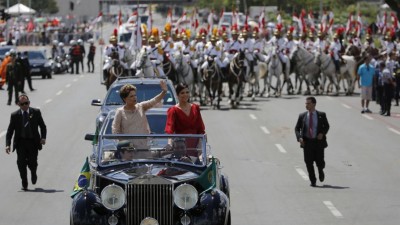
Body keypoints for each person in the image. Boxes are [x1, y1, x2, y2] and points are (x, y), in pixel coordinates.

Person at [5, 94, 47, 191]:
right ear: (18, 104)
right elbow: (10, 131)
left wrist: (43, 138)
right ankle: (24, 181)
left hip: (33, 142)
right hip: (21, 143)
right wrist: (8, 145)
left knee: (32, 162)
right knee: (21, 163)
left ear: (29, 103)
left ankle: (33, 172)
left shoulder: (35, 112)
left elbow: (43, 126)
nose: (24, 105)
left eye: (26, 103)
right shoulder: (15, 115)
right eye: (22, 104)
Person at [295, 96, 330, 187]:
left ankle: (320, 170)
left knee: (320, 161)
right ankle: (313, 180)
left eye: (308, 103)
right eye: (306, 103)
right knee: (308, 162)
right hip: (307, 142)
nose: (306, 105)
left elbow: (326, 126)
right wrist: (299, 138)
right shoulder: (302, 116)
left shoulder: (321, 115)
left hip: (318, 142)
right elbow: (297, 128)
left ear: (314, 104)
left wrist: (322, 133)